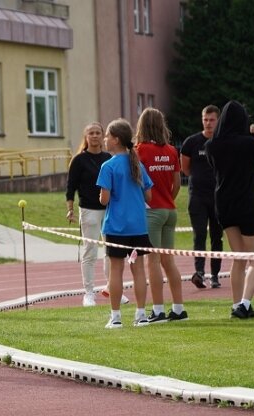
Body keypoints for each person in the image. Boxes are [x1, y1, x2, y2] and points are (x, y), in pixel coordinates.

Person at [205, 100, 254, 319]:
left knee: (239, 257)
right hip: (248, 203)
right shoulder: (247, 142)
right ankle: (244, 303)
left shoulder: (212, 145)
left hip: (224, 204)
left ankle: (237, 305)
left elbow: (215, 168)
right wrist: (253, 135)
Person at [65, 122, 129, 306]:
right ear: (86, 137)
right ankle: (88, 292)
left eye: (98, 133)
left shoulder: (109, 158)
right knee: (90, 251)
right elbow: (71, 187)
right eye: (91, 133)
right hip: (88, 210)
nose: (94, 136)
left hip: (109, 210)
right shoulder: (78, 160)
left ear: (103, 136)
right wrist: (70, 209)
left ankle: (112, 287)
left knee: (111, 252)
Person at [98, 118, 153, 329]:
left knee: (116, 270)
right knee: (138, 270)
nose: (104, 139)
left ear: (116, 139)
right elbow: (148, 196)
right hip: (138, 226)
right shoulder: (137, 165)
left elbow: (104, 199)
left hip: (116, 227)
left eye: (107, 136)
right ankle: (141, 315)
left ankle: (116, 317)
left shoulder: (108, 166)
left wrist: (104, 194)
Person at [135, 108, 187, 323]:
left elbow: (135, 182)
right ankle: (178, 308)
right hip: (169, 209)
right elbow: (178, 183)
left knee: (152, 262)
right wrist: (168, 198)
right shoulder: (172, 151)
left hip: (151, 211)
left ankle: (158, 310)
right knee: (168, 261)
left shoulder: (140, 151)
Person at [180, 105, 223, 289]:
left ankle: (215, 275)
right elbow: (185, 168)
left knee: (216, 236)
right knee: (199, 235)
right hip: (197, 195)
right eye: (205, 119)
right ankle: (199, 273)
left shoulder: (223, 141)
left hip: (218, 195)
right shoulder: (192, 142)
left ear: (218, 120)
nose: (208, 123)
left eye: (212, 119)